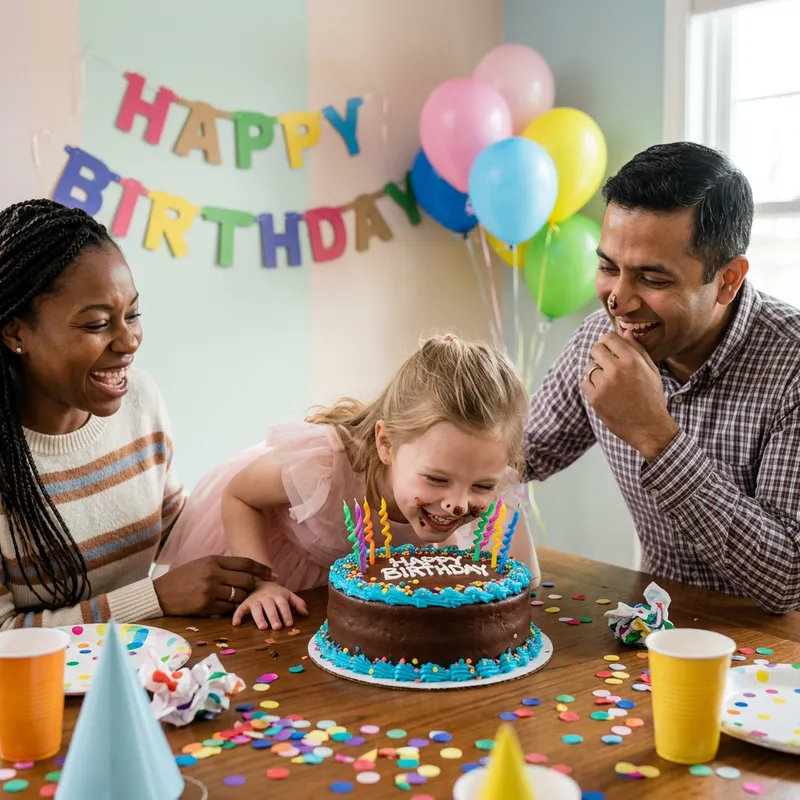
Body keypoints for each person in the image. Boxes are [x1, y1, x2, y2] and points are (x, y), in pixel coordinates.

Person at [525, 141, 800, 614]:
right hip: (657, 630)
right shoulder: (598, 340)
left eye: (653, 279)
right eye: (609, 267)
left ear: (729, 279)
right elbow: (520, 453)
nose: (619, 300)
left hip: (777, 655)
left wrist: (656, 435)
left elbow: (789, 580)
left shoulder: (792, 366)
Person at [0, 199, 271, 630]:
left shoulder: (140, 400)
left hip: (145, 673)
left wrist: (280, 490)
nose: (128, 341)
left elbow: (173, 531)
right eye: (96, 324)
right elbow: (4, 631)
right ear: (16, 332)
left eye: (132, 314)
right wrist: (154, 598)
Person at [157, 334, 541, 630]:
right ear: (386, 443)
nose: (458, 504)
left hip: (356, 600)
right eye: (437, 479)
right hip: (281, 572)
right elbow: (239, 495)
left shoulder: (480, 478)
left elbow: (525, 582)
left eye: (482, 487)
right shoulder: (324, 466)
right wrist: (262, 583)